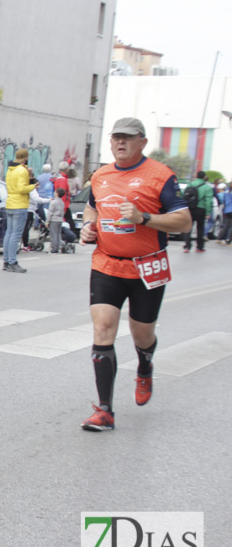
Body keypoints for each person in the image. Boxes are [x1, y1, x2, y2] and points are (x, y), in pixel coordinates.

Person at [78, 117, 191, 432]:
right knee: (103, 328)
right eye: (116, 138)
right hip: (107, 264)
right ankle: (105, 410)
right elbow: (92, 208)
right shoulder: (100, 175)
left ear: (142, 142)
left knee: (142, 334)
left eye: (127, 138)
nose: (120, 143)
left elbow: (184, 222)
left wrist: (144, 218)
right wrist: (88, 225)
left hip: (147, 267)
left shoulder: (160, 176)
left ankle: (144, 365)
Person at [3, 148, 37, 272]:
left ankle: (6, 261)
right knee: (16, 234)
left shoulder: (10, 170)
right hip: (20, 204)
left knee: (9, 233)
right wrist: (33, 186)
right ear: (25, 158)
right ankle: (12, 261)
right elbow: (22, 189)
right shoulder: (22, 171)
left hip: (10, 203)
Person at [182, 171, 212, 252]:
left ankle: (187, 246)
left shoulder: (190, 184)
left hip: (190, 208)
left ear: (196, 176)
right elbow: (208, 201)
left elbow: (184, 195)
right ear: (204, 177)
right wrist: (208, 212)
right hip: (201, 208)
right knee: (200, 228)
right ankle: (199, 247)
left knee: (188, 227)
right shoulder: (207, 187)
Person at [47, 186, 67, 253]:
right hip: (60, 220)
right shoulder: (62, 203)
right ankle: (58, 247)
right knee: (58, 234)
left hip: (53, 220)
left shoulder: (53, 202)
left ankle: (54, 248)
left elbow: (50, 212)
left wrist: (47, 221)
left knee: (53, 234)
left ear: (57, 194)